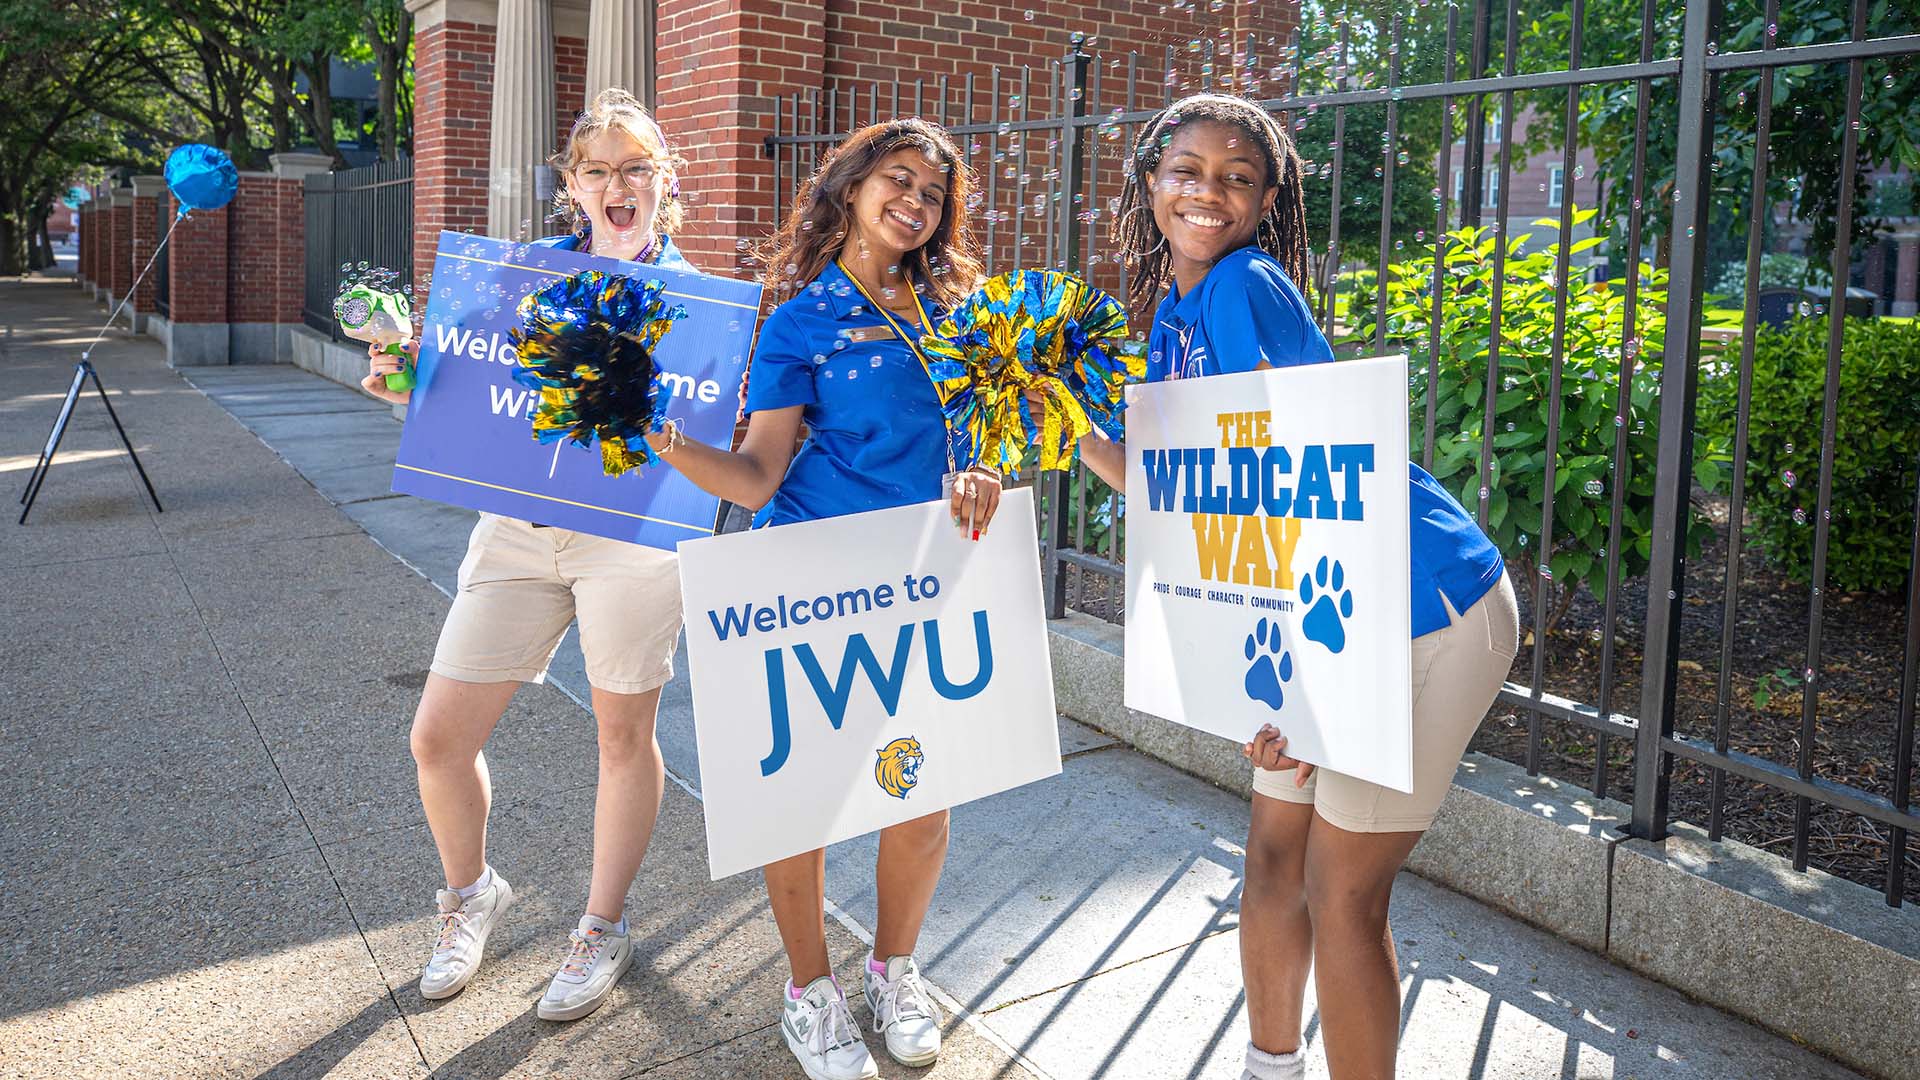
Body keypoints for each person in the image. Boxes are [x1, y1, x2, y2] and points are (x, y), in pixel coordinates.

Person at [1076, 93, 1518, 1080]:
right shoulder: (1177, 319)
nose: (1207, 192)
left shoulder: (1245, 283)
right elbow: (1191, 492)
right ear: (1150, 182)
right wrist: (1067, 419)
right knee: (1273, 854)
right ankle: (1268, 1067)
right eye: (1186, 170)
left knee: (1340, 887)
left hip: (1420, 610)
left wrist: (1308, 689)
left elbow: (1310, 489)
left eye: (1237, 177)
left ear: (1266, 198)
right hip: (1321, 611)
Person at [640, 118, 1001, 1080]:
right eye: (897, 180)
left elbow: (984, 433)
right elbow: (757, 477)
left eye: (932, 191)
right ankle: (811, 991)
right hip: (807, 579)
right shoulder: (800, 318)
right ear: (848, 188)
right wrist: (665, 439)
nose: (915, 203)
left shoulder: (963, 313)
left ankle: (892, 969)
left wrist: (982, 471)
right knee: (797, 803)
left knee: (919, 796)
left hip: (924, 577)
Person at [359, 87, 693, 1023]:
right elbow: (464, 390)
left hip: (631, 537)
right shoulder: (525, 274)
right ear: (573, 184)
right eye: (598, 169)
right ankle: (471, 894)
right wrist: (407, 386)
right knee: (437, 738)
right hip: (517, 529)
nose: (617, 183)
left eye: (636, 167)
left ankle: (601, 925)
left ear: (663, 181)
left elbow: (709, 431)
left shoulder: (695, 296)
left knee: (623, 733)